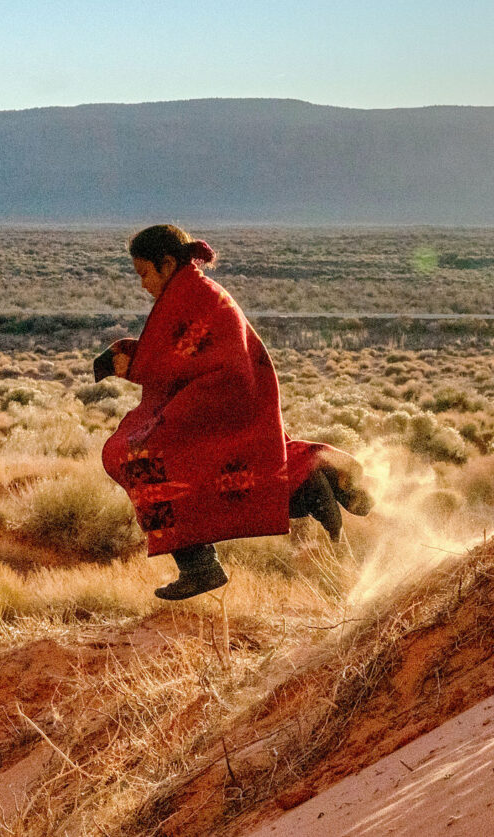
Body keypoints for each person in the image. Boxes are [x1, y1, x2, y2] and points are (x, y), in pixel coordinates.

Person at [95, 224, 372, 600]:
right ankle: (312, 480)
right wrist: (126, 357)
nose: (143, 284)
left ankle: (201, 565)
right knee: (236, 472)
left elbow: (174, 359)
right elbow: (179, 355)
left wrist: (126, 360)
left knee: (139, 459)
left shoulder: (190, 296)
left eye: (145, 273)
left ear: (167, 263)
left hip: (219, 397)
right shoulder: (193, 291)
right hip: (226, 395)